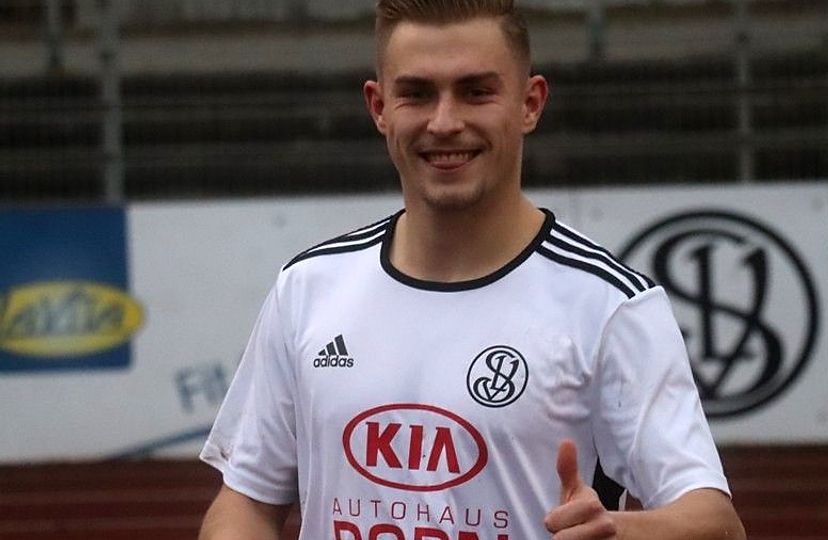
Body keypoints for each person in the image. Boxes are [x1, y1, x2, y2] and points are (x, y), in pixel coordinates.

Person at [198, 1, 745, 538]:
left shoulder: (609, 307)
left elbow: (716, 523)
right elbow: (245, 505)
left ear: (530, 104)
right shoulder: (308, 288)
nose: (444, 122)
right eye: (417, 94)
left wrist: (618, 533)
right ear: (379, 107)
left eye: (476, 92)